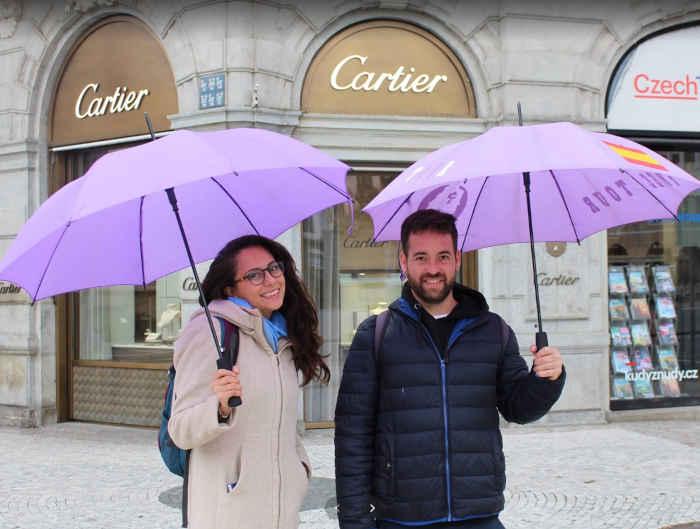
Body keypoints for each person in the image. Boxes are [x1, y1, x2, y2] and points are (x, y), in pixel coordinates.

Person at [334, 209, 565, 529]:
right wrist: (355, 520)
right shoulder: (375, 335)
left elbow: (519, 408)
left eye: (443, 256)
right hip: (401, 517)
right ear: (404, 261)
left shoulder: (493, 330)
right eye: (421, 257)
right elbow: (352, 437)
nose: (433, 269)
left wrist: (546, 379)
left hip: (478, 513)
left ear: (457, 258)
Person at [168, 235, 329, 529]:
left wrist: (298, 468)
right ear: (230, 287)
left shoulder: (282, 337)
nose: (270, 280)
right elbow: (179, 430)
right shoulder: (209, 332)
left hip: (281, 511)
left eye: (273, 268)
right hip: (229, 512)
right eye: (254, 275)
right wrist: (218, 408)